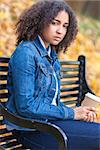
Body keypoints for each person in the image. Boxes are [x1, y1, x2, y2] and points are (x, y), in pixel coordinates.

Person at [5, 0, 99, 149]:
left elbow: (51, 102)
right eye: (55, 23)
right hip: (29, 129)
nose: (60, 31)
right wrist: (72, 113)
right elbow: (25, 106)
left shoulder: (51, 55)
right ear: (41, 21)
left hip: (48, 123)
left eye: (65, 26)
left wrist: (80, 112)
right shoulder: (26, 53)